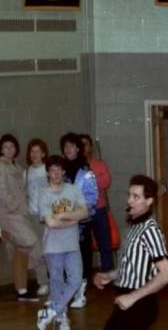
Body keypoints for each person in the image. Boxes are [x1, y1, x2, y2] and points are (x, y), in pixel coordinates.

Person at [94, 175, 168, 330]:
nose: (129, 200)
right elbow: (132, 266)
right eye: (129, 195)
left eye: (136, 196)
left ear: (149, 201)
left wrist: (132, 297)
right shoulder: (134, 228)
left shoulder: (150, 230)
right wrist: (109, 275)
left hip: (140, 304)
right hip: (125, 300)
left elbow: (166, 274)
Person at [0, 134, 48, 302]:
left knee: (20, 251)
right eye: (6, 147)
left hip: (22, 214)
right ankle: (0, 232)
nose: (9, 150)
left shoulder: (19, 168)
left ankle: (21, 290)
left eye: (12, 147)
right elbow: (2, 193)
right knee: (33, 242)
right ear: (0, 149)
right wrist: (16, 208)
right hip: (10, 214)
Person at [36, 155, 88, 330]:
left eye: (59, 170)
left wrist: (63, 215)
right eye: (52, 170)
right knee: (56, 282)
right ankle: (60, 317)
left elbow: (85, 212)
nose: (56, 173)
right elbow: (50, 223)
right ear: (48, 173)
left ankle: (51, 312)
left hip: (72, 244)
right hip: (53, 246)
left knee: (75, 280)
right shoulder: (43, 193)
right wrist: (73, 219)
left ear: (64, 172)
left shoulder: (74, 190)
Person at [60, 132, 98, 308]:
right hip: (64, 221)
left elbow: (92, 196)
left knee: (81, 255)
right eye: (65, 146)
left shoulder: (86, 172)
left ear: (78, 149)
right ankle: (69, 290)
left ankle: (80, 293)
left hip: (81, 221)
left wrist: (79, 212)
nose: (68, 149)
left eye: (71, 146)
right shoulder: (59, 170)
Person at [81, 134, 114, 274]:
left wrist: (89, 181)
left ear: (91, 147)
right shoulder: (76, 166)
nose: (83, 147)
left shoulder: (99, 164)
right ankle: (84, 275)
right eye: (80, 144)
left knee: (105, 243)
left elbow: (105, 183)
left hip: (99, 209)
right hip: (81, 211)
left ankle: (108, 272)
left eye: (86, 144)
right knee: (83, 245)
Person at [26, 138, 50, 218]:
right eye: (32, 151)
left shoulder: (48, 170)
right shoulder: (28, 171)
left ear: (43, 154)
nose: (34, 154)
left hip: (46, 215)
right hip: (32, 214)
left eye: (37, 151)